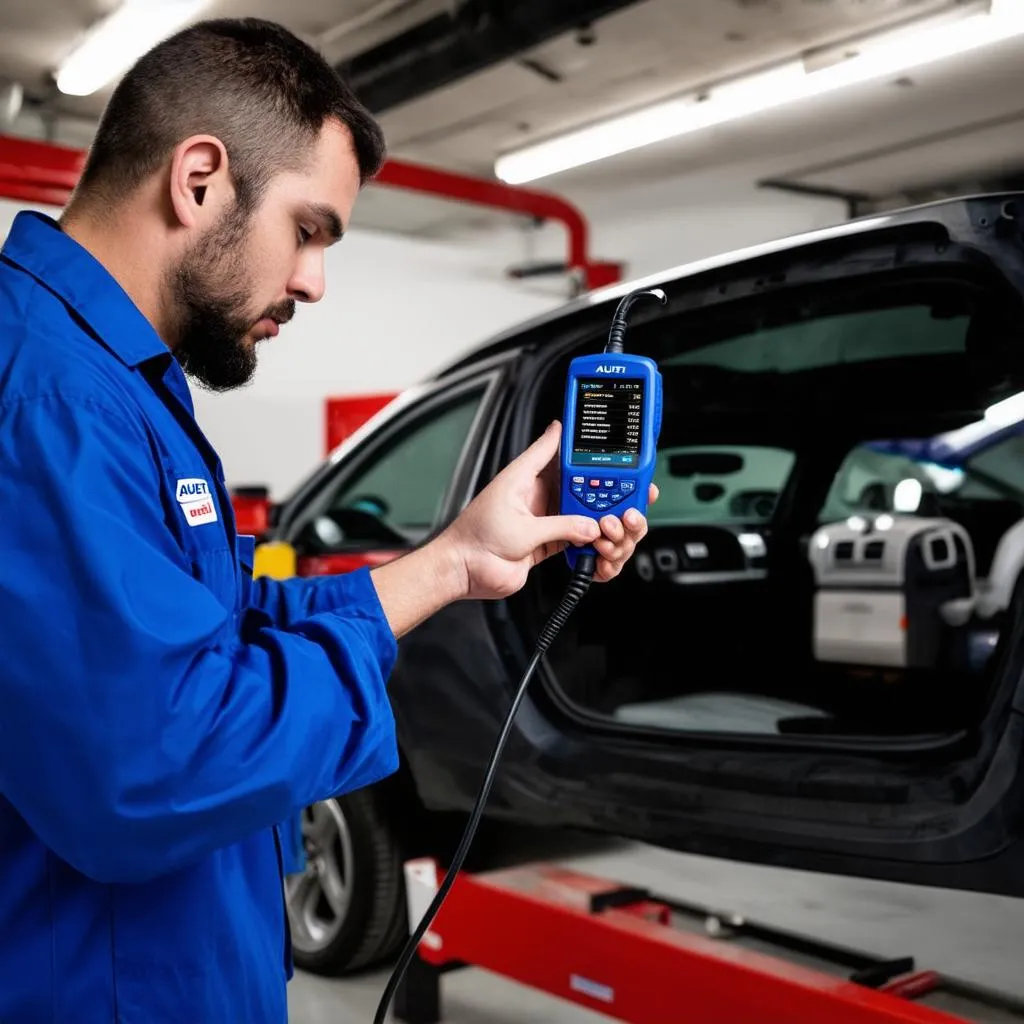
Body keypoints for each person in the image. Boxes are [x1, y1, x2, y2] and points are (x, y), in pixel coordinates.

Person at [0, 16, 653, 1024]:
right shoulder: (53, 399)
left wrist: (453, 561)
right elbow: (154, 768)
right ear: (200, 179)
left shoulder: (106, 385)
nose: (311, 280)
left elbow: (197, 628)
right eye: (309, 229)